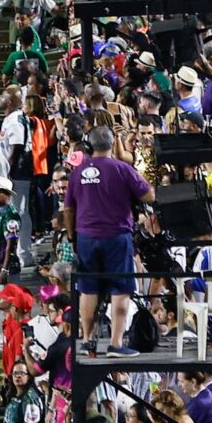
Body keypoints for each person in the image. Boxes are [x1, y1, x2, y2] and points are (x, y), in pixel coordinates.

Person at [66, 126, 151, 353]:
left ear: (89, 145)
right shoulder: (123, 169)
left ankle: (86, 340)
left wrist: (71, 236)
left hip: (86, 237)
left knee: (88, 289)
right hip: (117, 237)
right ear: (113, 144)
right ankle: (115, 343)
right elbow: (149, 195)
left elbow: (68, 210)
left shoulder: (77, 172)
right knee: (120, 289)